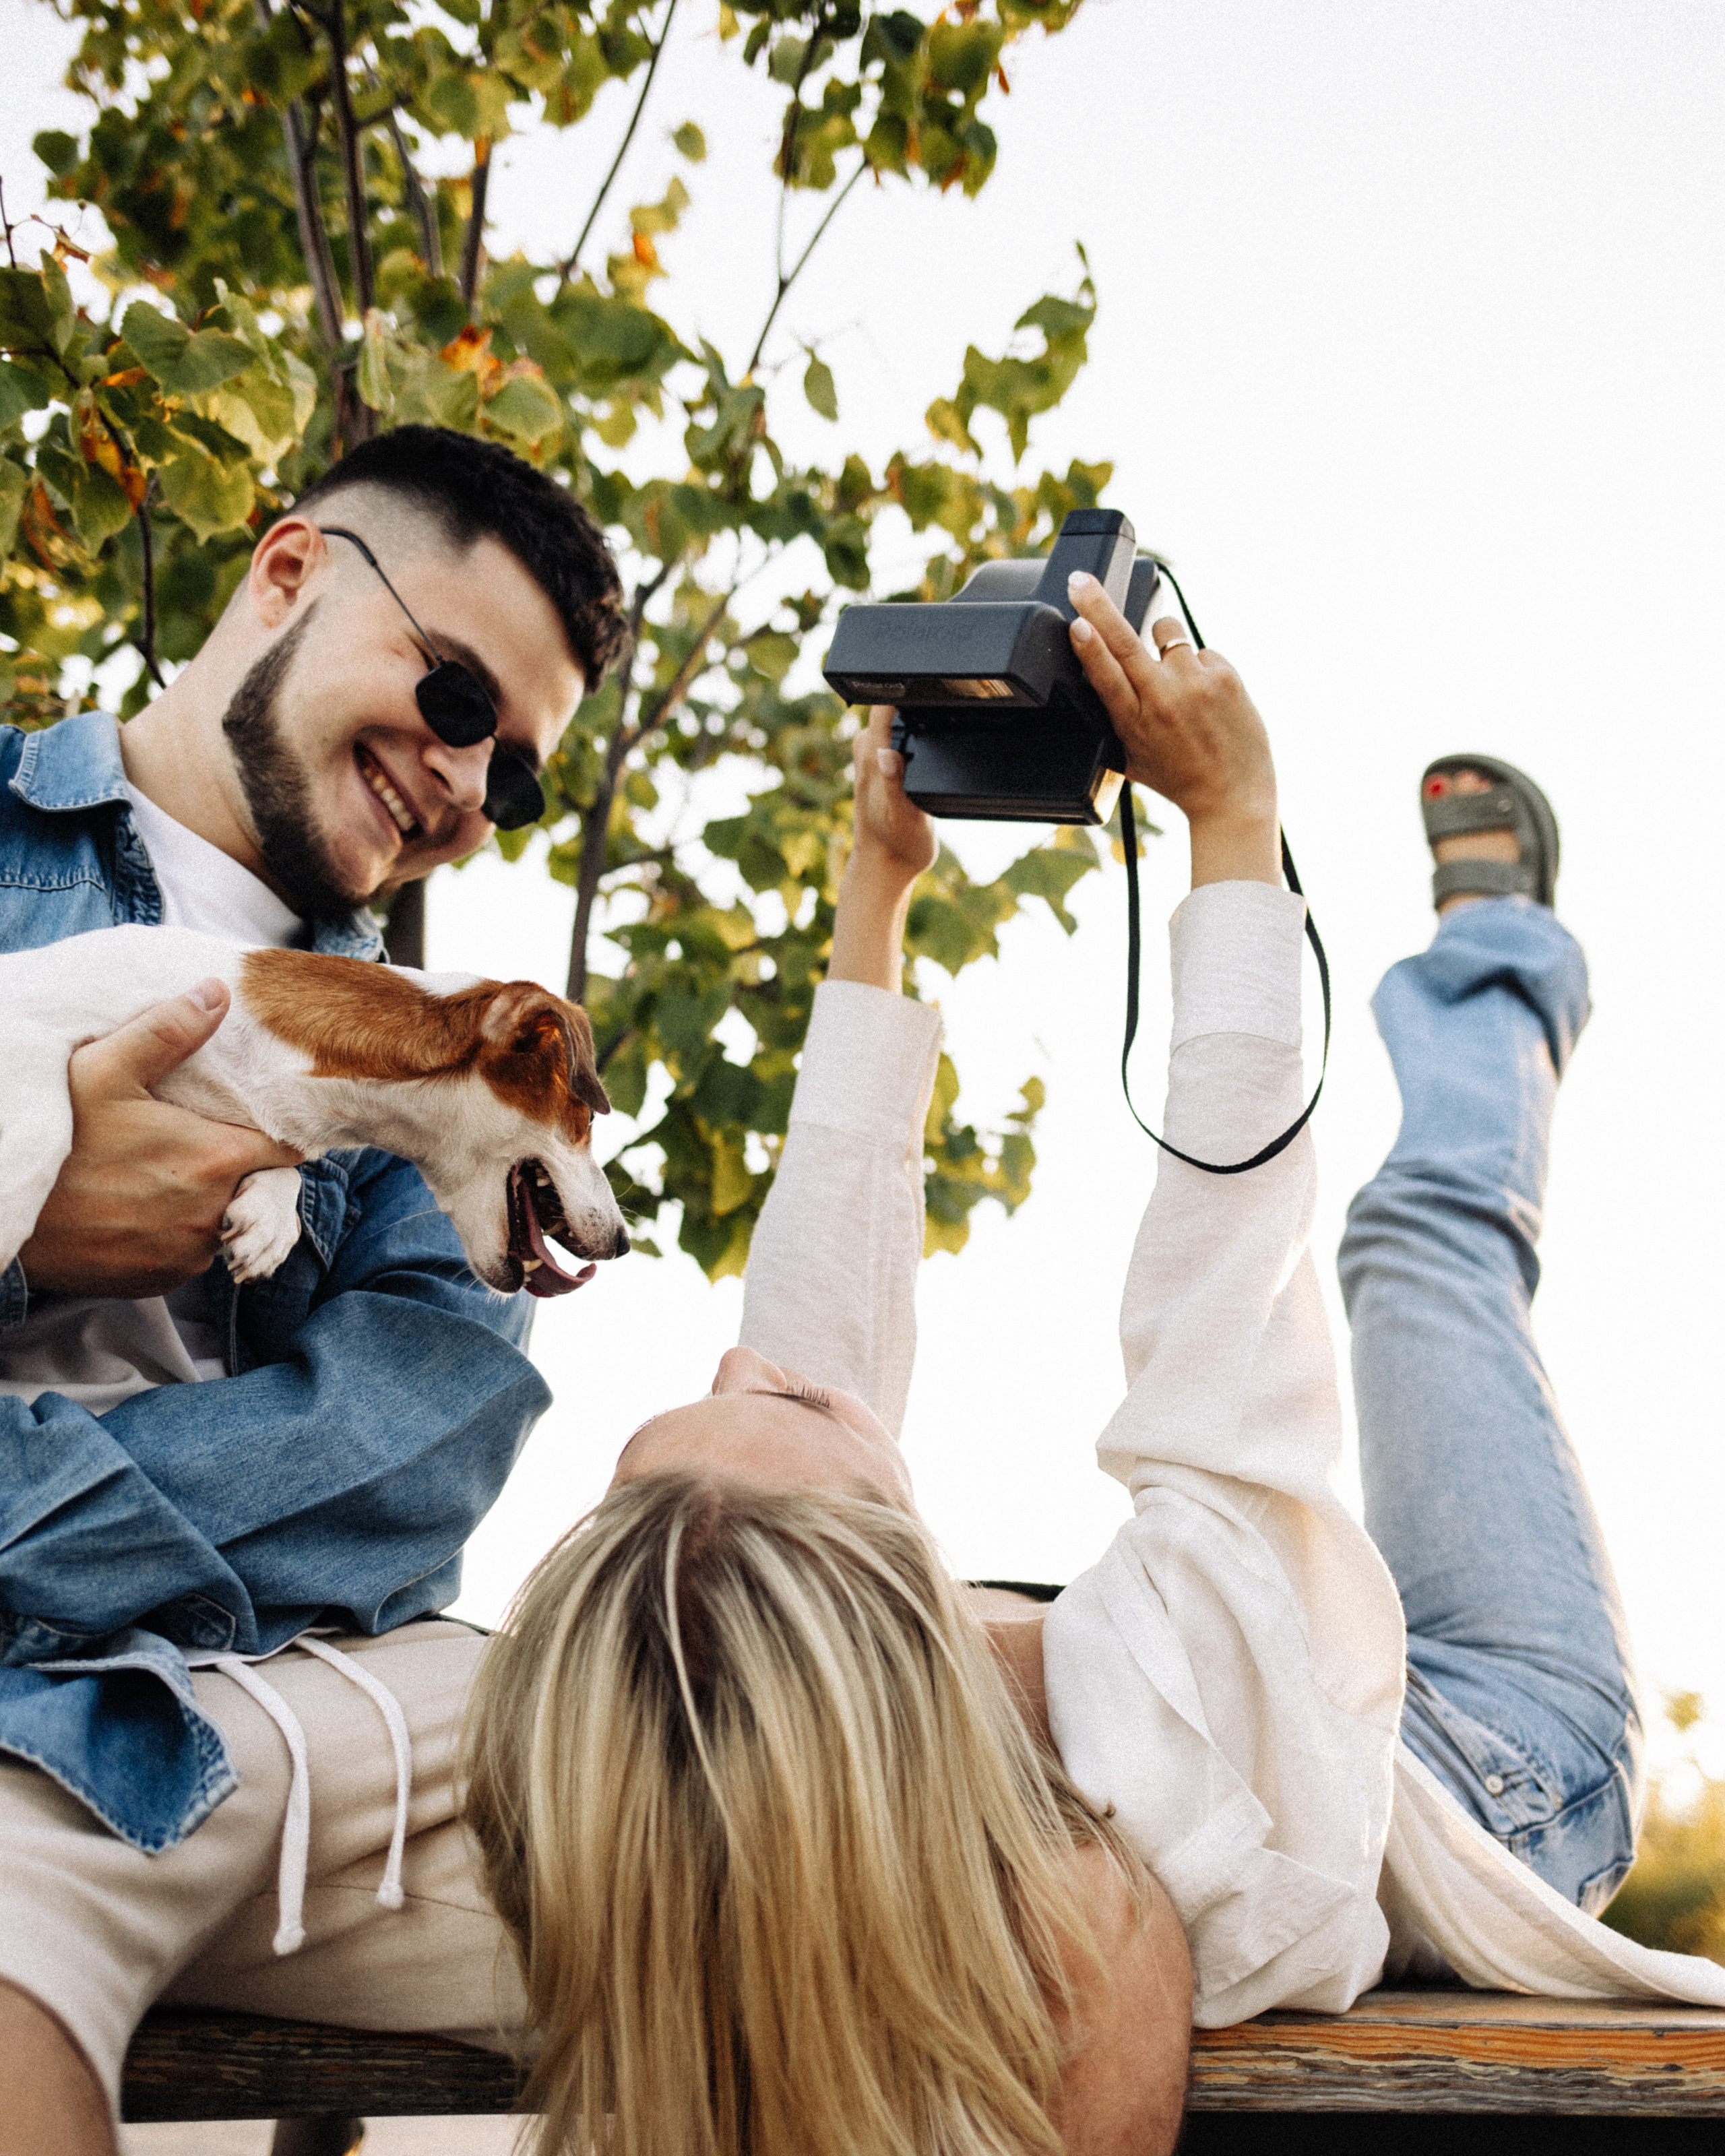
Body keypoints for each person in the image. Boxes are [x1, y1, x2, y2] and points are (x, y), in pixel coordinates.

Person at [466, 581, 1725, 2156]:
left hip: (1305, 1689)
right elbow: (1220, 1301)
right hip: (1496, 1766)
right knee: (1415, 1240)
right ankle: (1502, 965)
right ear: (895, 1612)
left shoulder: (749, 1749)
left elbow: (809, 1318)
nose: (758, 1360)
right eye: (784, 1402)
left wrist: (876, 888)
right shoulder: (1149, 1736)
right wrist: (1229, 825)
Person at [0, 425, 624, 2151]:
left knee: (1006, 1900)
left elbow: (395, 1482)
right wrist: (36, 1232)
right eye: (454, 694)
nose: (466, 786)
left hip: (246, 1746)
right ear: (287, 573)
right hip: (146, 1753)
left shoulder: (446, 1094)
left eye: (516, 773)